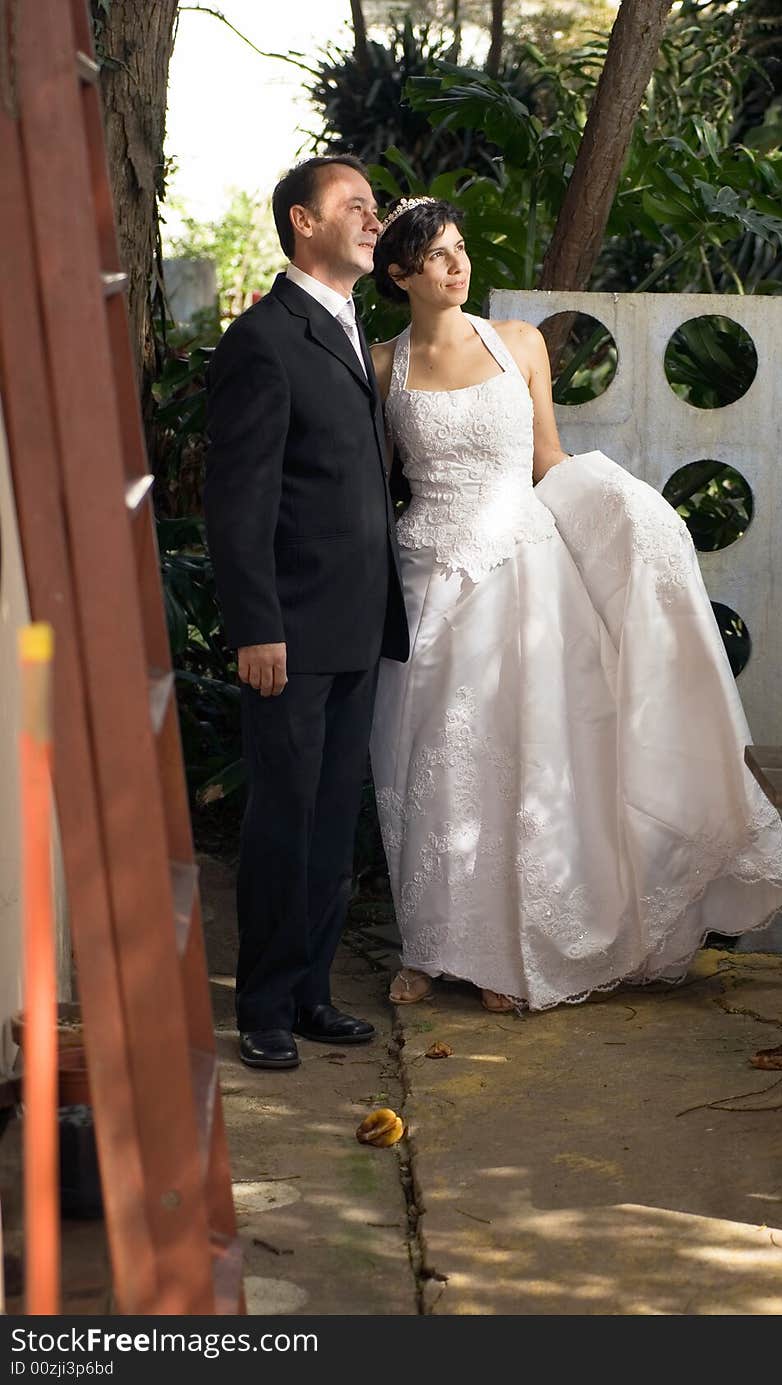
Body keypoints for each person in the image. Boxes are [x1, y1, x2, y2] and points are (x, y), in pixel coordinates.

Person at [368, 196, 782, 1014]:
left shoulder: (521, 344)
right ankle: (429, 945)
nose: (458, 265)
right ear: (400, 275)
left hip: (525, 572)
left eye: (461, 248)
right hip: (427, 574)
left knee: (530, 757)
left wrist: (631, 518)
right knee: (429, 760)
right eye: (437, 256)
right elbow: (373, 482)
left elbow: (546, 456)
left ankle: (509, 948)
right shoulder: (385, 364)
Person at [203, 157, 409, 1068]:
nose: (375, 219)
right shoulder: (262, 339)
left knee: (331, 821)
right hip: (288, 631)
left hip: (358, 626)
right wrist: (256, 625)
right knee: (283, 819)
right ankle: (265, 1006)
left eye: (375, 207)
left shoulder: (354, 326)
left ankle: (314, 991)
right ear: (302, 222)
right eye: (355, 207)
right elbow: (238, 502)